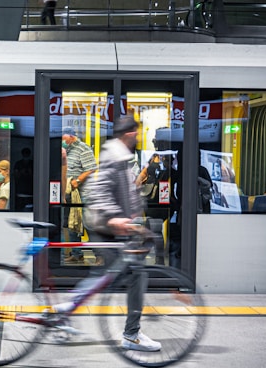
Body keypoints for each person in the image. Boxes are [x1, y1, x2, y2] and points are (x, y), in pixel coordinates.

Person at [83, 115, 161, 352]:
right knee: (134, 275)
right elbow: (100, 190)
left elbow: (127, 192)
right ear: (130, 134)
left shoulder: (122, 157)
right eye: (137, 133)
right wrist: (115, 217)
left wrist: (135, 219)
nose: (138, 137)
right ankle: (131, 335)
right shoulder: (114, 156)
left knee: (119, 276)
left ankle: (63, 311)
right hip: (107, 228)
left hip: (116, 228)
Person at [62, 126, 97, 263]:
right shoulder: (66, 150)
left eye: (63, 138)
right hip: (70, 192)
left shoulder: (83, 148)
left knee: (88, 224)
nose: (62, 141)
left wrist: (77, 180)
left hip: (83, 193)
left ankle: (99, 255)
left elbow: (91, 168)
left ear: (71, 136)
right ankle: (76, 253)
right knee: (72, 223)